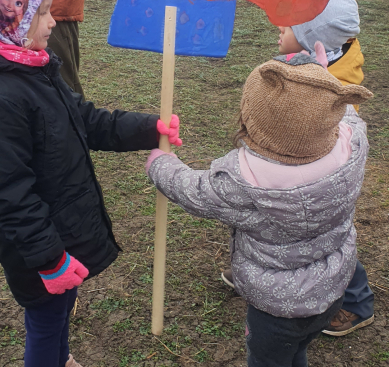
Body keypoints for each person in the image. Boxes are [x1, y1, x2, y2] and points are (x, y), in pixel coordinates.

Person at [0, 0, 181, 367]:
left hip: (60, 233)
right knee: (45, 317)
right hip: (37, 248)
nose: (54, 21)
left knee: (59, 308)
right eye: (41, 13)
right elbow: (7, 197)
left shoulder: (32, 68)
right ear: (8, 18)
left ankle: (60, 357)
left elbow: (86, 120)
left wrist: (148, 128)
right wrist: (50, 259)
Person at [145, 46, 373, 366]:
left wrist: (160, 166)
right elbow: (343, 111)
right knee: (299, 349)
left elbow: (193, 191)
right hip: (332, 293)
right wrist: (319, 84)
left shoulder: (245, 182)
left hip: (276, 311)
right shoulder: (354, 144)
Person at [222, 0, 375, 337]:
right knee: (284, 231)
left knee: (325, 239)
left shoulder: (330, 88)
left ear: (312, 38)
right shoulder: (310, 65)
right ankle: (261, 273)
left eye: (290, 23)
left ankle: (356, 302)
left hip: (316, 184)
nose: (278, 25)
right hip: (293, 175)